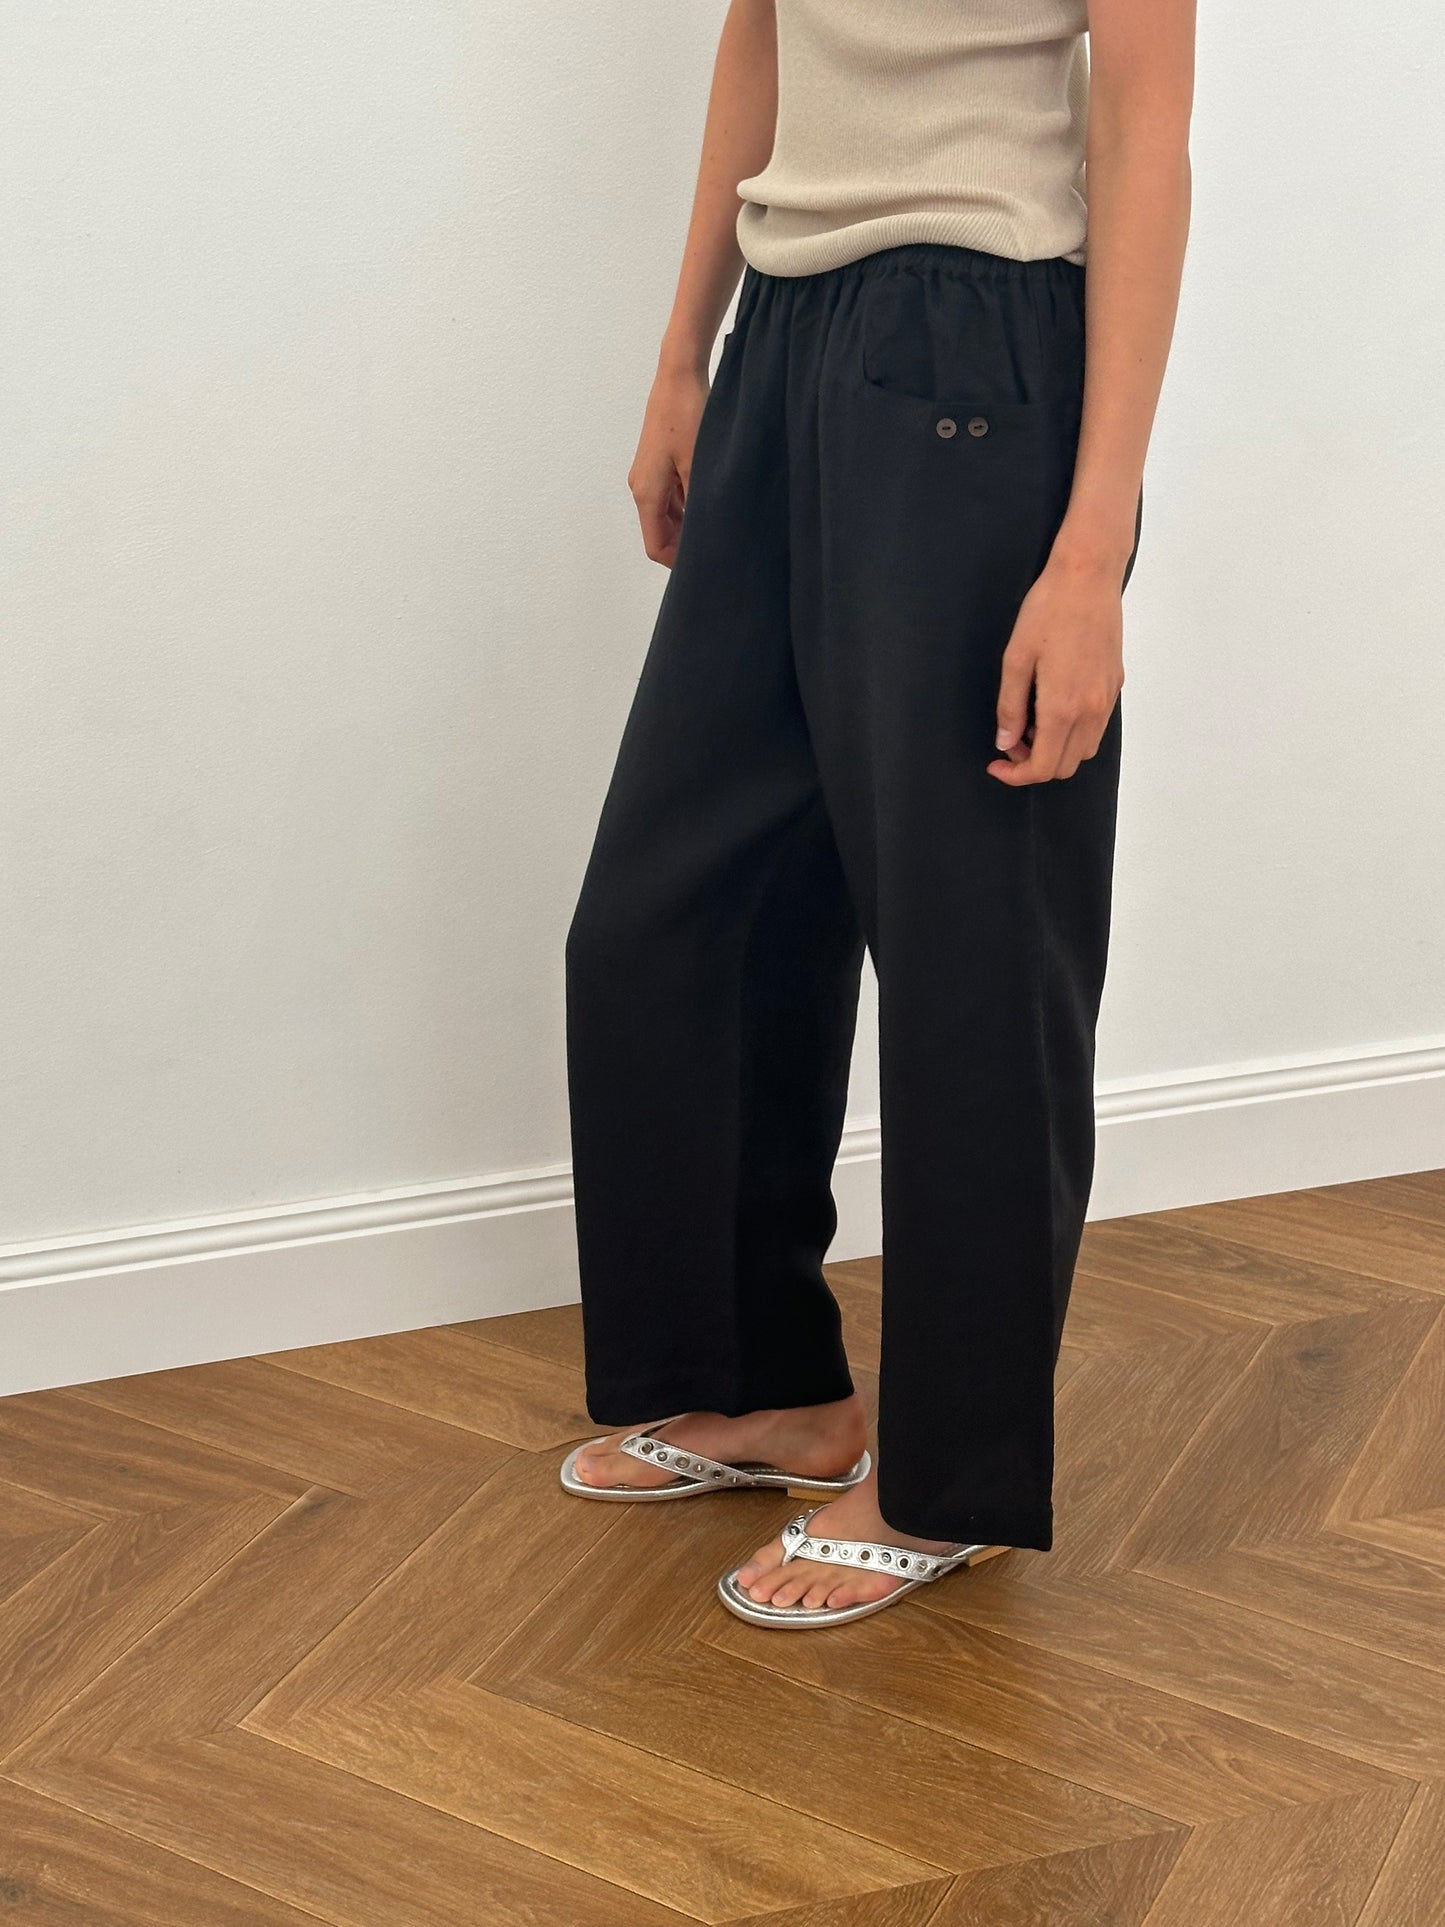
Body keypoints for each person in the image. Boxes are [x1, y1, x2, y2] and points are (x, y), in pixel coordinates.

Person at [559, 0, 1195, 1628]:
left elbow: (1141, 136)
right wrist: (683, 355)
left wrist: (1090, 553)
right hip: (784, 332)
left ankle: (945, 1478)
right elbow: (758, 36)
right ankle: (766, 1385)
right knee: (673, 913)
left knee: (974, 951)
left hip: (979, 347)